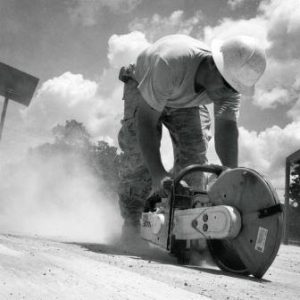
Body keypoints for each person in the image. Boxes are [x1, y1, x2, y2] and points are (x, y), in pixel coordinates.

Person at [117, 34, 266, 244]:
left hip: (185, 100)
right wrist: (158, 173)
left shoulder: (230, 85)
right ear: (214, 65)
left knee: (195, 155)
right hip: (144, 84)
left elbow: (226, 128)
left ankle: (182, 231)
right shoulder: (170, 63)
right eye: (226, 86)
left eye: (234, 88)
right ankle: (132, 226)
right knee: (139, 157)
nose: (228, 93)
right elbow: (146, 124)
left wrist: (231, 176)